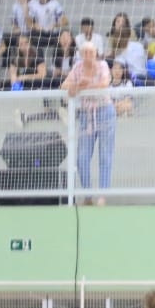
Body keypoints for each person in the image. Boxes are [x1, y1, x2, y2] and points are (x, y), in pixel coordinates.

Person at [63, 42, 115, 205]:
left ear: (96, 53)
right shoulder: (77, 68)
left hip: (105, 112)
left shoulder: (103, 65)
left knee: (105, 154)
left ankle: (102, 195)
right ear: (80, 53)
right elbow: (64, 85)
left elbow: (105, 83)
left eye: (90, 52)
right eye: (84, 52)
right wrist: (78, 86)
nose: (88, 55)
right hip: (86, 114)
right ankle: (87, 194)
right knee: (82, 157)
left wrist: (81, 87)